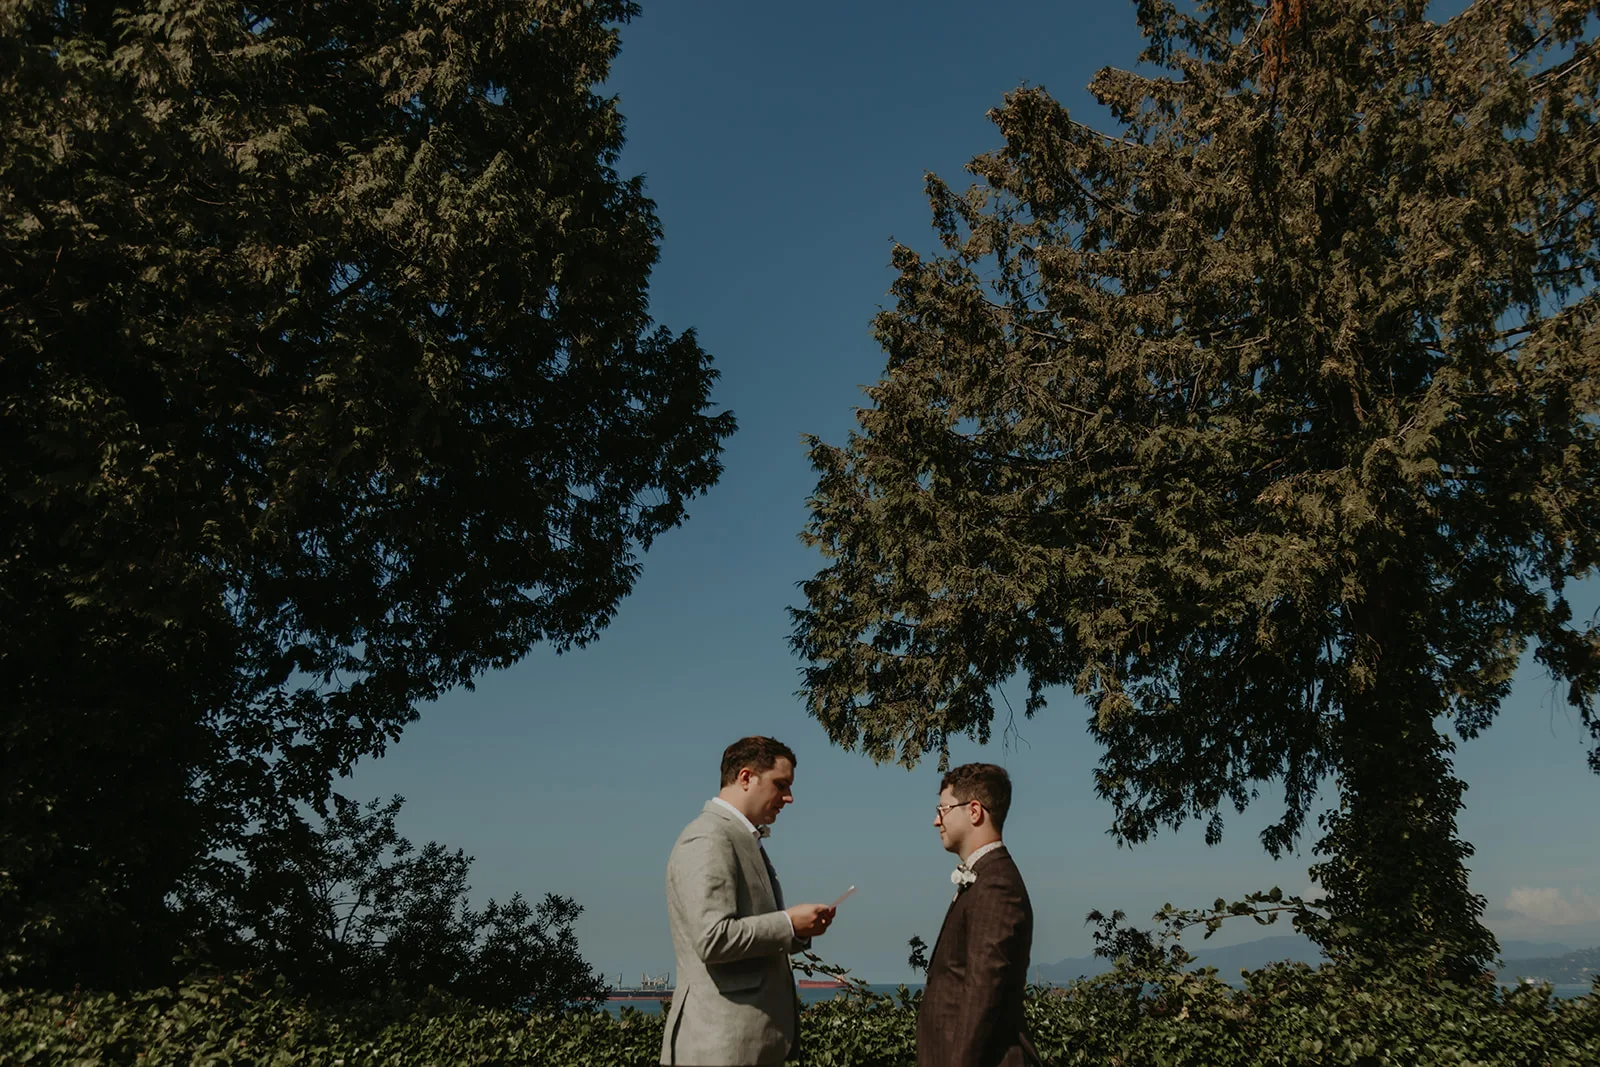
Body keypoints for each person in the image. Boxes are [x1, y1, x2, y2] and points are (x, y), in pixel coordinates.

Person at [661, 736, 837, 1066]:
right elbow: (712, 938)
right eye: (780, 784)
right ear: (745, 777)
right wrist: (788, 923)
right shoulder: (708, 837)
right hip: (721, 1049)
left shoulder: (741, 838)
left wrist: (798, 931)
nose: (789, 797)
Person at [917, 763, 1041, 1067]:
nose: (936, 821)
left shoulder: (996, 885)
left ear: (974, 811)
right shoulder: (986, 878)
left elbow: (983, 994)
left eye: (943, 809)